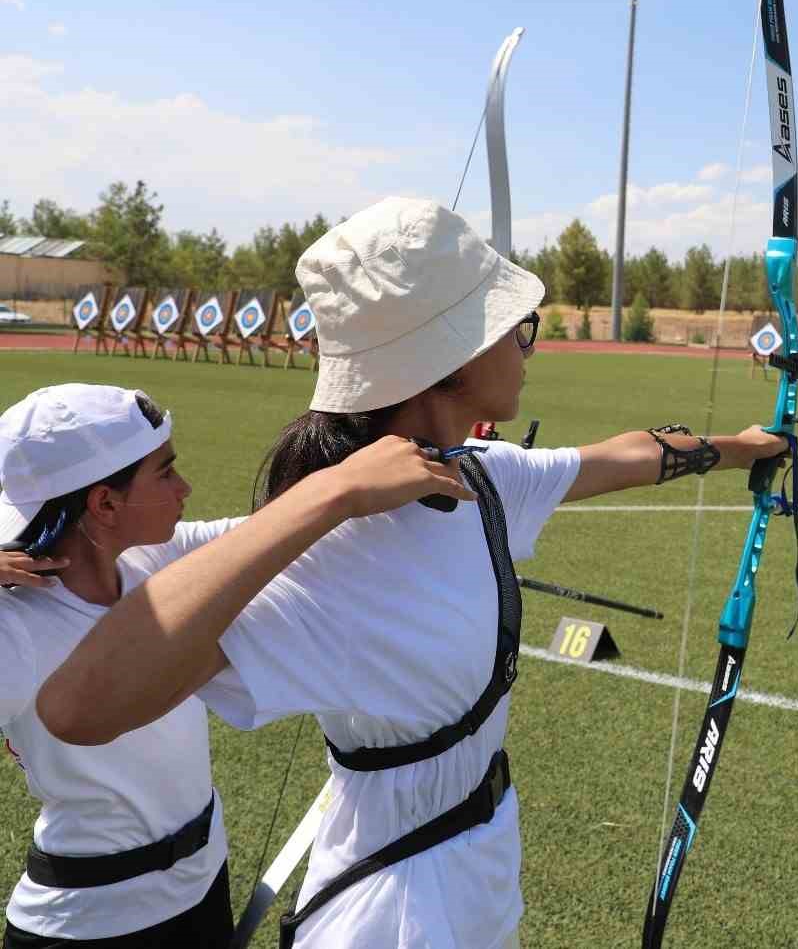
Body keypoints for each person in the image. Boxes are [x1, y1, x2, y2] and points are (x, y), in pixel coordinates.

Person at [37, 197, 788, 948]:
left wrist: (747, 446)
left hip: (476, 865)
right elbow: (77, 708)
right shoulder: (321, 554)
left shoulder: (485, 478)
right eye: (515, 330)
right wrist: (331, 495)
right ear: (454, 360)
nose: (530, 347)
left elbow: (621, 456)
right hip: (390, 912)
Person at [0, 384, 463, 948]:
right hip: (90, 925)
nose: (184, 487)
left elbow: (273, 532)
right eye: (166, 473)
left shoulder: (158, 562)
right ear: (105, 503)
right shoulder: (14, 625)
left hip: (200, 886)